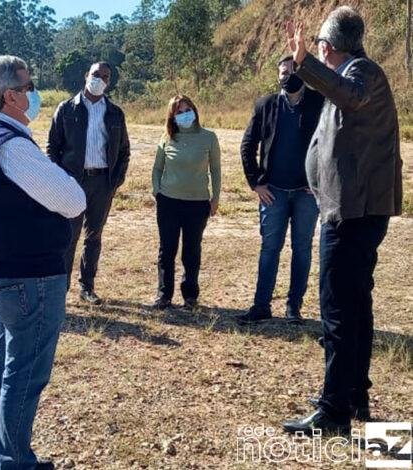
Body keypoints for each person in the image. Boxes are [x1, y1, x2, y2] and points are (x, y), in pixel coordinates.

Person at [0, 55, 86, 470]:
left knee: (7, 360)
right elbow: (72, 200)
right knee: (26, 371)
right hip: (30, 275)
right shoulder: (9, 144)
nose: (35, 94)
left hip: (9, 271)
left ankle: (0, 449)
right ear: (10, 96)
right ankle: (13, 460)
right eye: (29, 86)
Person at [281, 7, 403, 435]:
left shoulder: (362, 72)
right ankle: (353, 397)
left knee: (337, 311)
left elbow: (348, 95)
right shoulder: (353, 75)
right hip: (347, 209)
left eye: (317, 47)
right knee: (353, 309)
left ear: (326, 47)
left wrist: (303, 64)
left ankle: (333, 412)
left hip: (352, 215)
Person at [236, 56, 324, 325]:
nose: (287, 76)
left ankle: (293, 308)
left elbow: (332, 144)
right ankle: (261, 305)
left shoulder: (319, 103)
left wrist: (320, 182)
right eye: (283, 72)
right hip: (272, 191)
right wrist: (255, 183)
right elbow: (248, 145)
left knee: (302, 250)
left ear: (303, 74)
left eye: (292, 71)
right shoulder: (266, 105)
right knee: (269, 249)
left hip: (305, 194)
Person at [47, 62, 131, 305]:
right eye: (96, 74)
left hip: (102, 182)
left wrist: (117, 179)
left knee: (94, 235)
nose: (99, 79)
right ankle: (59, 289)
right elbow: (53, 147)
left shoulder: (115, 113)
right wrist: (59, 178)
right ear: (86, 75)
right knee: (68, 234)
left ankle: (87, 286)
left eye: (105, 76)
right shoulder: (66, 108)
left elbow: (124, 150)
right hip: (73, 181)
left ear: (109, 82)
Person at [151, 95, 221, 310]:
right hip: (169, 202)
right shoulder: (167, 138)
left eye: (187, 109)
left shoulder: (208, 138)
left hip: (197, 203)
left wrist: (215, 198)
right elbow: (157, 168)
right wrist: (157, 191)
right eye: (179, 112)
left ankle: (190, 295)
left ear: (195, 110)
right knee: (167, 249)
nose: (184, 114)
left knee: (191, 250)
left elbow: (215, 170)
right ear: (172, 116)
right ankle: (164, 294)